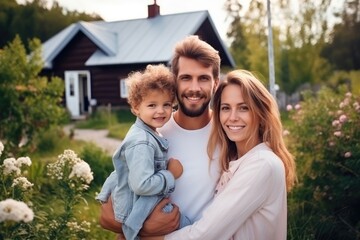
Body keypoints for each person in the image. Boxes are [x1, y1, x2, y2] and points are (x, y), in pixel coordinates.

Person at [143, 69, 297, 240]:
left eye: (243, 108)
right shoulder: (236, 160)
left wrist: (145, 238)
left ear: (260, 113)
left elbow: (206, 235)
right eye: (225, 108)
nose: (232, 117)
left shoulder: (262, 164)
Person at [99, 35, 222, 238]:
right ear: (175, 82)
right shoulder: (153, 133)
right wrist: (146, 228)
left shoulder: (227, 135)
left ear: (215, 83)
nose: (194, 88)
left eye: (203, 78)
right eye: (186, 78)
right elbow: (106, 216)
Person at [96, 64, 191, 240]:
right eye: (152, 105)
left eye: (167, 104)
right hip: (141, 210)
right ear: (136, 108)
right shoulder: (142, 142)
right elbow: (141, 185)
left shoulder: (149, 133)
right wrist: (170, 174)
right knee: (190, 229)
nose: (160, 111)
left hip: (140, 207)